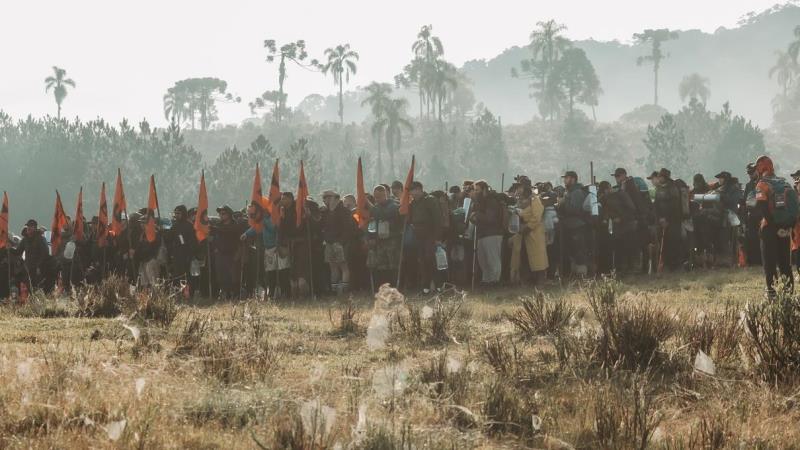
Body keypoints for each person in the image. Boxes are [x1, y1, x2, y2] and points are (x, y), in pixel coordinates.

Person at [754, 155, 796, 296]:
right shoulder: (784, 183)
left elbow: (762, 208)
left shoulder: (761, 185)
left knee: (770, 263)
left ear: (761, 169)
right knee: (785, 264)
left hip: (769, 229)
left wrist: (773, 225)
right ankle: (789, 294)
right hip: (785, 227)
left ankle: (772, 293)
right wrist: (786, 226)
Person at [613, 168, 652, 273]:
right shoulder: (627, 185)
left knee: (639, 244)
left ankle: (641, 268)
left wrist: (636, 218)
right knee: (640, 244)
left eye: (618, 176)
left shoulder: (630, 186)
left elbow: (635, 203)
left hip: (637, 219)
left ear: (624, 175)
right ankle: (641, 268)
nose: (616, 178)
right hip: (637, 219)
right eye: (615, 176)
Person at [241, 201, 283, 298]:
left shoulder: (271, 218)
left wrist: (264, 221)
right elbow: (255, 228)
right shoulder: (262, 221)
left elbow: (273, 228)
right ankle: (271, 292)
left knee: (278, 271)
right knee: (270, 272)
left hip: (276, 247)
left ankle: (280, 292)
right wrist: (246, 234)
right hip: (268, 249)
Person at [509, 186, 548, 284]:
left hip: (534, 233)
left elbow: (537, 217)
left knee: (537, 259)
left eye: (520, 188)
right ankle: (525, 281)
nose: (518, 192)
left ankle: (540, 281)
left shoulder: (535, 200)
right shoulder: (519, 202)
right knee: (523, 257)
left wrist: (527, 227)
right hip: (522, 234)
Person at [408, 181, 442, 294]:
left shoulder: (430, 200)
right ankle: (426, 287)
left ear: (420, 189)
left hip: (430, 235)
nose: (413, 193)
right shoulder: (413, 204)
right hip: (419, 236)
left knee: (431, 260)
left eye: (414, 190)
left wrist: (437, 237)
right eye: (411, 191)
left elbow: (437, 219)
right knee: (423, 262)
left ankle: (438, 285)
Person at [470, 180, 505, 285]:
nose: (475, 192)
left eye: (477, 190)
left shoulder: (491, 201)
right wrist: (473, 217)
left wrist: (476, 214)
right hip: (482, 234)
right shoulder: (479, 202)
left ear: (484, 189)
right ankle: (486, 280)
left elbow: (490, 218)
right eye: (474, 190)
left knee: (493, 259)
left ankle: (495, 281)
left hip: (492, 233)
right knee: (483, 260)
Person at [598, 180, 637, 274]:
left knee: (628, 248)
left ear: (609, 188)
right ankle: (620, 269)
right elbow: (606, 211)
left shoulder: (621, 195)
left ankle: (630, 269)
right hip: (616, 227)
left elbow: (631, 208)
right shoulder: (605, 198)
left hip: (627, 225)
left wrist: (621, 218)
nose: (605, 193)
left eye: (606, 190)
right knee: (619, 248)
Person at [367, 185, 402, 289]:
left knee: (393, 264)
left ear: (385, 194)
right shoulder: (375, 208)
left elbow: (384, 215)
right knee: (381, 265)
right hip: (380, 240)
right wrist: (371, 237)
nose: (377, 199)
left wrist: (370, 206)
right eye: (375, 197)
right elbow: (372, 224)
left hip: (392, 239)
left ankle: (394, 287)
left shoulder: (394, 206)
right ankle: (383, 287)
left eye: (379, 197)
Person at [321, 190, 355, 294]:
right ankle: (334, 290)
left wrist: (341, 242)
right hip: (329, 243)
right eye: (323, 198)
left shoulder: (344, 211)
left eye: (326, 197)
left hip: (340, 243)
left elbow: (348, 228)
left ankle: (345, 289)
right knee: (333, 267)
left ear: (332, 198)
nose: (324, 200)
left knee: (343, 266)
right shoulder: (326, 212)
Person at [557, 171, 589, 277]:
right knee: (572, 250)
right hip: (570, 225)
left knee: (578, 250)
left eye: (567, 178)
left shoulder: (577, 192)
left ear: (573, 179)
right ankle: (574, 273)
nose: (565, 180)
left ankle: (581, 274)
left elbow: (574, 209)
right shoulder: (569, 192)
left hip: (576, 225)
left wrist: (563, 202)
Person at [653, 168, 685, 271]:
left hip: (673, 220)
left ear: (664, 177)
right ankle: (666, 264)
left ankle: (676, 264)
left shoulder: (673, 188)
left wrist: (667, 219)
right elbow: (656, 205)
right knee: (665, 243)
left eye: (660, 176)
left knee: (674, 242)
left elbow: (674, 206)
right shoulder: (659, 188)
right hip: (662, 220)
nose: (659, 178)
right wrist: (660, 218)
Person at [212, 205, 243, 299]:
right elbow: (214, 238)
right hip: (220, 254)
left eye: (223, 213)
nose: (221, 215)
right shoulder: (218, 225)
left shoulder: (235, 225)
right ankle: (226, 294)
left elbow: (239, 240)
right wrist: (215, 247)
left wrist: (238, 254)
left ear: (229, 214)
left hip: (232, 254)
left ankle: (236, 295)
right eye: (220, 213)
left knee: (233, 276)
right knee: (221, 276)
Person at [166, 205, 197, 290]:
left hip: (186, 255)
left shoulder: (189, 226)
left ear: (183, 214)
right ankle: (178, 292)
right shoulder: (175, 226)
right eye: (175, 213)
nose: (176, 215)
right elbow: (168, 238)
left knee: (186, 276)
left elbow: (193, 243)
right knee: (177, 275)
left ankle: (188, 293)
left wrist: (189, 255)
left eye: (178, 213)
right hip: (177, 254)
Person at [743, 163, 762, 266]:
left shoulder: (763, 183)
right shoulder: (748, 185)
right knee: (752, 238)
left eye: (752, 172)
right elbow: (744, 201)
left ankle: (762, 260)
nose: (750, 175)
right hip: (751, 216)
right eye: (749, 173)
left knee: (762, 238)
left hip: (762, 215)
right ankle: (754, 261)